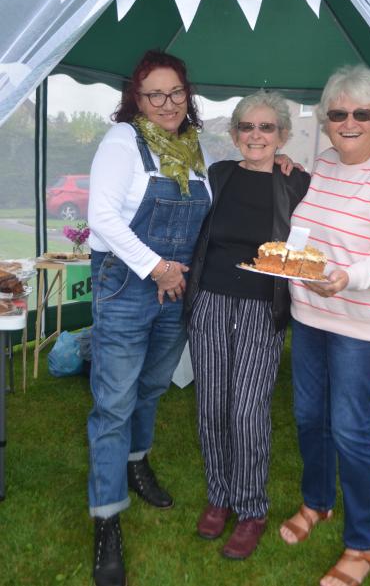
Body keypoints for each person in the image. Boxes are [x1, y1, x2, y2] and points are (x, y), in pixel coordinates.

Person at [279, 65, 370, 586]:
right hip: (311, 312)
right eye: (336, 113)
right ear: (325, 120)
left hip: (360, 321)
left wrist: (348, 277)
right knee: (306, 416)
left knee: (350, 428)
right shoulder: (323, 163)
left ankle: (364, 546)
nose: (347, 122)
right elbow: (306, 227)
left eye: (360, 113)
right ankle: (317, 502)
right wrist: (288, 261)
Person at [87, 50, 212, 586]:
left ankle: (136, 462)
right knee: (113, 401)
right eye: (155, 94)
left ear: (188, 94)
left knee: (152, 387)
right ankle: (106, 518)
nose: (167, 104)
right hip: (128, 285)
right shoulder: (122, 142)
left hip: (173, 287)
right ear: (136, 99)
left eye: (176, 92)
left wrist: (278, 164)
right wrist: (157, 267)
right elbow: (102, 217)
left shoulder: (193, 149)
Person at [185, 91, 310, 560]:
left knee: (247, 409)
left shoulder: (296, 183)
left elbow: (309, 240)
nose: (255, 135)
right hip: (210, 301)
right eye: (247, 127)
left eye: (266, 128)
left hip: (262, 306)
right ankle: (220, 496)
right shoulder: (219, 175)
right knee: (212, 404)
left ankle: (252, 507)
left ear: (282, 135)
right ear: (234, 133)